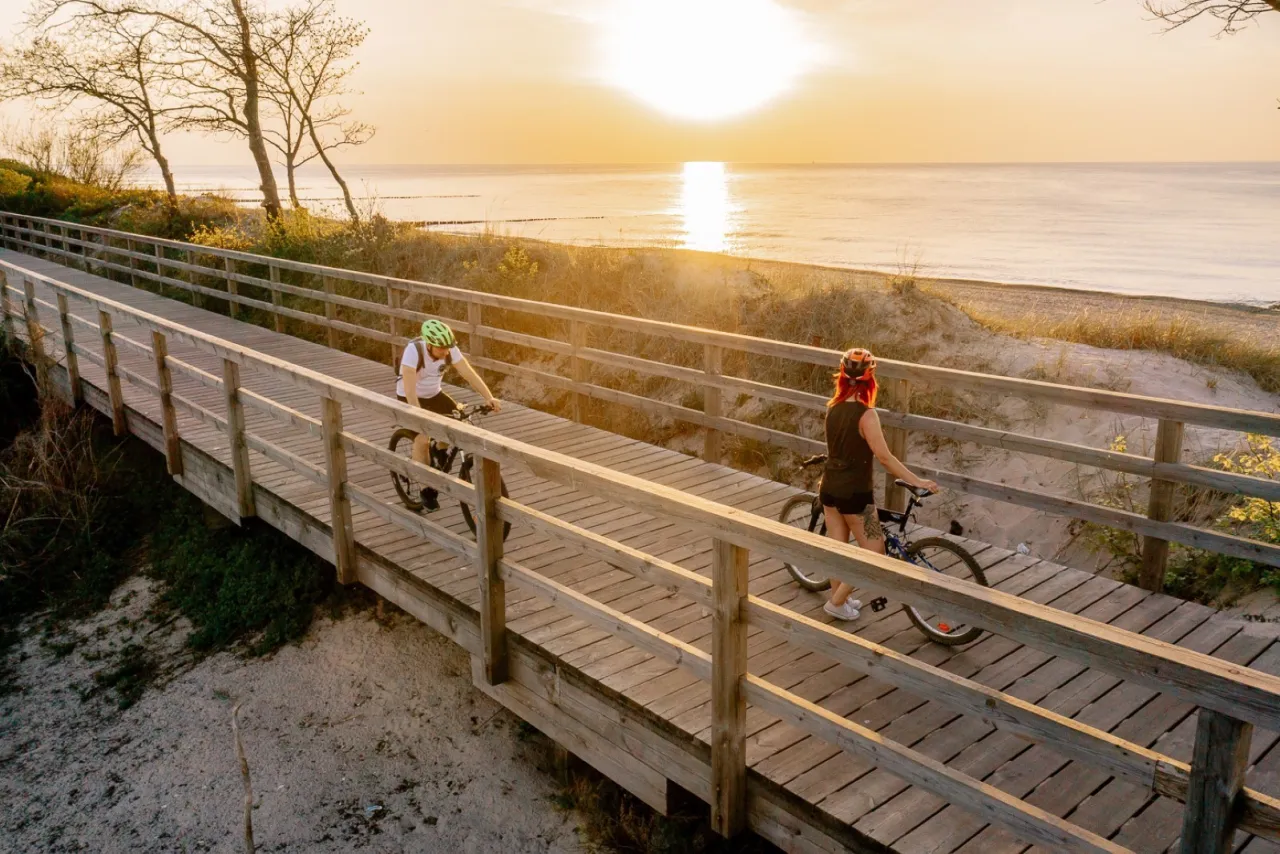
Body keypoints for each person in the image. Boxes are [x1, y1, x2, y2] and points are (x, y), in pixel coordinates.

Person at [820, 348, 938, 621]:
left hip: (829, 489)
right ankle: (836, 603)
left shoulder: (833, 408)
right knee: (877, 553)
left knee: (837, 550)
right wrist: (917, 480)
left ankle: (841, 599)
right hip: (856, 498)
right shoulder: (866, 415)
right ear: (870, 379)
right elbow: (884, 457)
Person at [397, 319, 501, 511]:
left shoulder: (449, 349)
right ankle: (426, 489)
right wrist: (419, 415)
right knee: (422, 439)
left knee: (458, 421)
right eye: (441, 349)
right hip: (409, 396)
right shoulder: (414, 351)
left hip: (434, 394)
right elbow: (410, 389)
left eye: (448, 348)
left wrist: (489, 397)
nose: (445, 352)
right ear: (429, 344)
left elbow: (468, 374)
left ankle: (439, 450)